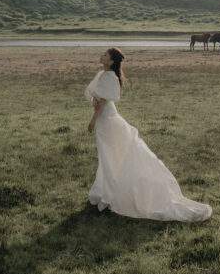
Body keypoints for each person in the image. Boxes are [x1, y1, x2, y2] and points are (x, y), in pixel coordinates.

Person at [85, 47, 212, 222]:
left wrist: (93, 120)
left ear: (112, 61)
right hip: (104, 120)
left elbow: (103, 102)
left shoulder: (110, 77)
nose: (101, 55)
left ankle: (113, 193)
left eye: (105, 55)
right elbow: (98, 98)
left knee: (111, 155)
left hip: (107, 120)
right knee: (108, 155)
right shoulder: (104, 74)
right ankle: (107, 190)